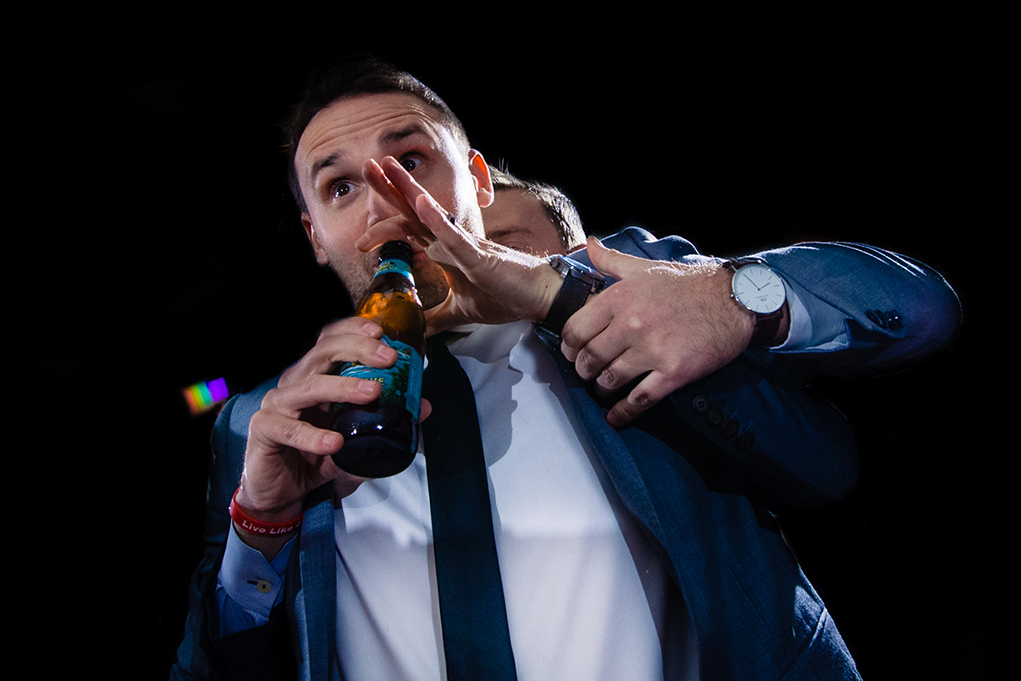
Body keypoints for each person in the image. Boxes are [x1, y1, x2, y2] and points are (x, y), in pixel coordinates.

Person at [172, 57, 961, 681]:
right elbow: (222, 657)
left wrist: (738, 299)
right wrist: (261, 524)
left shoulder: (629, 298)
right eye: (341, 185)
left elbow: (920, 309)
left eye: (410, 158)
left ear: (476, 182)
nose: (385, 198)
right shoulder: (261, 422)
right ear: (316, 234)